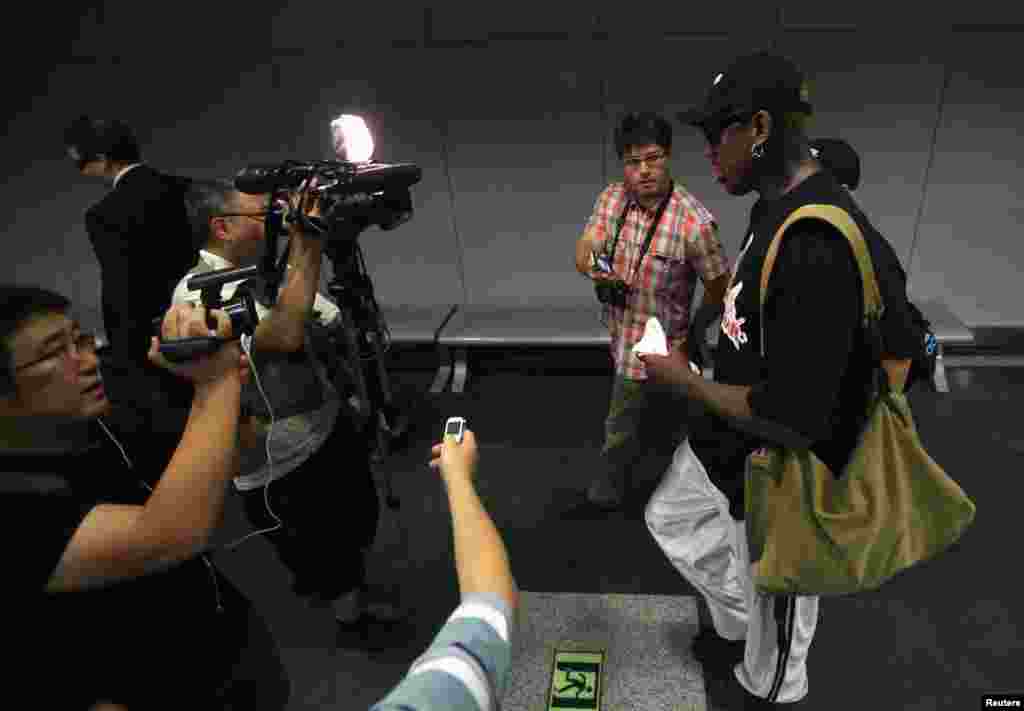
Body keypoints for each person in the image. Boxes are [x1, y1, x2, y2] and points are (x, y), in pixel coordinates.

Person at [629, 50, 925, 707]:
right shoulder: (772, 208)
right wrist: (706, 332)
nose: (705, 150)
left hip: (781, 471)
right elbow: (750, 305)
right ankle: (746, 623)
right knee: (673, 523)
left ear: (759, 128)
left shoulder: (818, 244)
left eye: (716, 133)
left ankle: (765, 681)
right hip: (725, 440)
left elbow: (793, 414)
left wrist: (682, 379)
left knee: (778, 647)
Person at [0, 285, 290, 709]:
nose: (86, 361)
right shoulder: (13, 499)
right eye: (51, 354)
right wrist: (215, 385)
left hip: (217, 652)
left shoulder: (96, 414)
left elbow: (235, 454)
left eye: (80, 340)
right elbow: (168, 535)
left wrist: (226, 385)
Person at [174, 179, 404, 642]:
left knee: (356, 521)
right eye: (263, 216)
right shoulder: (198, 296)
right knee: (324, 552)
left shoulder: (260, 269)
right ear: (222, 227)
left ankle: (342, 590)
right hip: (279, 463)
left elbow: (321, 319)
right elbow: (284, 335)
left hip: (323, 427)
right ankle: (352, 623)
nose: (276, 221)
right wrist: (308, 240)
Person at [573, 111, 731, 511]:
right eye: (632, 162)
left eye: (653, 158)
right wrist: (590, 262)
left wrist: (694, 333)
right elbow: (587, 242)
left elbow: (719, 289)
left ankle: (672, 501)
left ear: (669, 156)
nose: (643, 171)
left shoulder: (694, 223)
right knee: (628, 429)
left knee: (663, 433)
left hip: (668, 351)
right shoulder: (612, 198)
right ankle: (623, 493)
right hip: (624, 343)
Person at [64, 116, 198, 478]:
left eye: (81, 161)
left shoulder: (104, 215)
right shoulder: (186, 189)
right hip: (209, 322)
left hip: (155, 344)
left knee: (171, 446)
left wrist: (125, 359)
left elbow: (120, 291)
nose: (81, 170)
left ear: (103, 158)